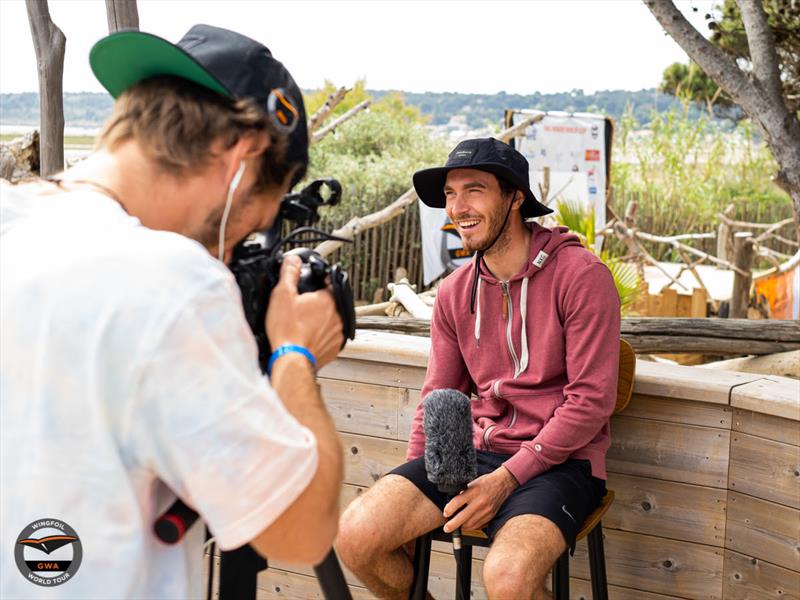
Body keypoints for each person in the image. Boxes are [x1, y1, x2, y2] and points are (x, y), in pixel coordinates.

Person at [0, 25, 344, 599]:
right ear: (242, 155)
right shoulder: (172, 283)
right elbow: (302, 532)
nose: (238, 252)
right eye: (256, 219)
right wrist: (293, 353)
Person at [337, 137, 621, 600]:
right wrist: (416, 475)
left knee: (508, 580)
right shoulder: (453, 293)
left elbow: (590, 401)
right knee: (357, 536)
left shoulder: (582, 277)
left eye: (474, 190)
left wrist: (508, 478)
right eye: (450, 194)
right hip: (474, 455)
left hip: (562, 464)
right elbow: (437, 396)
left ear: (514, 198)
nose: (457, 207)